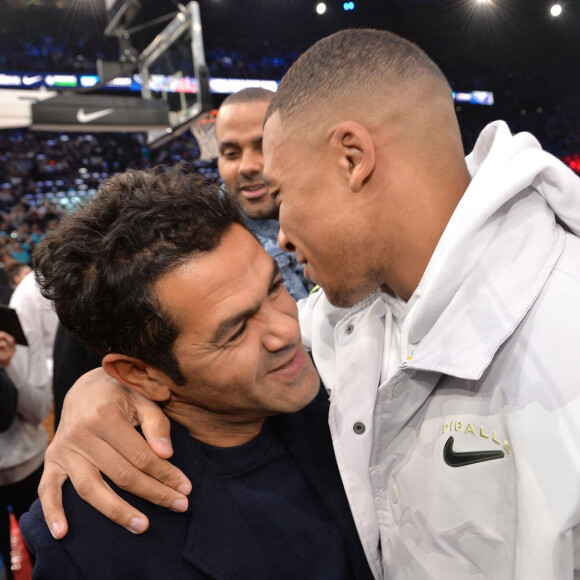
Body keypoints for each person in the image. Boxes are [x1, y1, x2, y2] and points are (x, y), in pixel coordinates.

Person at [36, 29, 580, 579]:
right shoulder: (350, 319)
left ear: (352, 159)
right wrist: (106, 390)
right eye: (235, 328)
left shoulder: (562, 324)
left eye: (284, 192)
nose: (284, 233)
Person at [20, 166, 374, 579]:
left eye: (275, 287)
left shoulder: (348, 386)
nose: (285, 329)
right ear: (142, 374)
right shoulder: (88, 544)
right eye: (237, 330)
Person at [216, 87, 312, 300]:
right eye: (231, 154)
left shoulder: (345, 217)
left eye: (265, 147)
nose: (247, 167)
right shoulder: (209, 249)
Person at [0, 319, 51, 578]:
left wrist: (8, 367)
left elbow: (38, 411)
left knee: (44, 546)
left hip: (30, 464)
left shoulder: (25, 335)